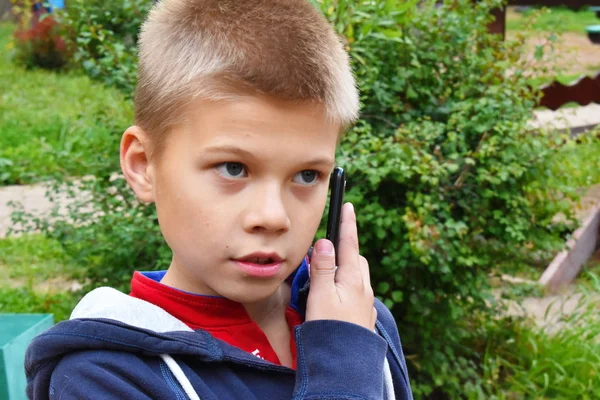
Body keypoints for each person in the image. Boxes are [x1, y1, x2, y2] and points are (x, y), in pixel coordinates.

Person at [25, 1, 414, 399]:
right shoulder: (101, 377)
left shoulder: (360, 320)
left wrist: (349, 340)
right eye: (233, 168)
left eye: (307, 175)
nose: (273, 217)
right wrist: (344, 367)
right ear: (143, 165)